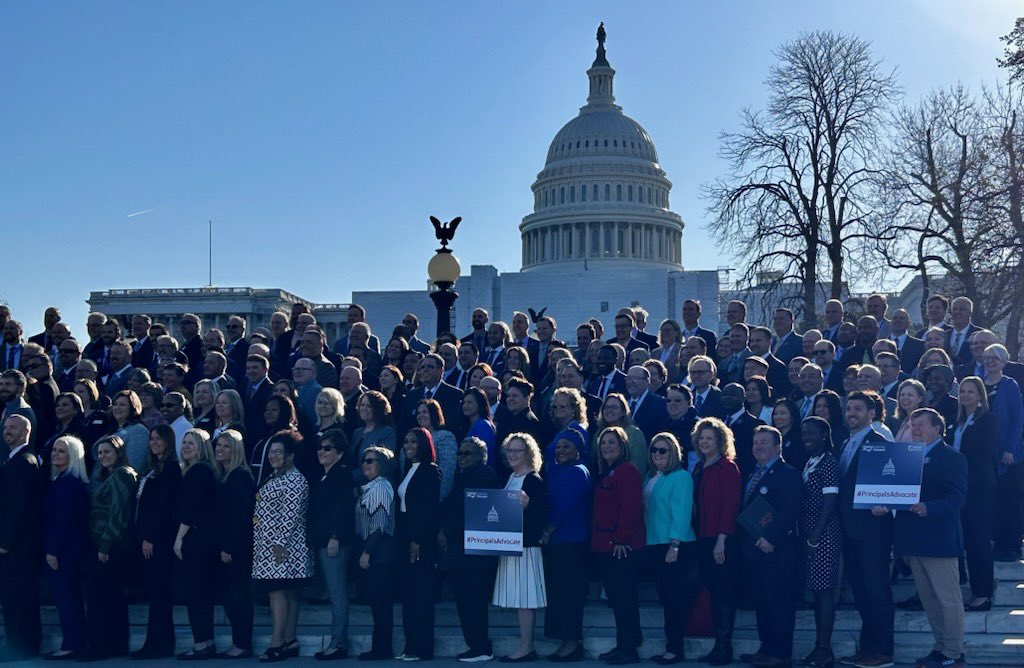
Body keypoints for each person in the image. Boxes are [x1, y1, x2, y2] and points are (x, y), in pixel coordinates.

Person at [876, 409, 967, 668]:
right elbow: (893, 493)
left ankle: (955, 652)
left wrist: (929, 507)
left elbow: (957, 498)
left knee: (947, 600)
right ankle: (941, 648)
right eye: (912, 424)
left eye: (921, 425)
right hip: (913, 541)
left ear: (938, 428)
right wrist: (881, 502)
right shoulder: (906, 458)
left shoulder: (951, 457)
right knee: (930, 600)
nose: (915, 429)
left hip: (939, 541)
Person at [836, 391, 894, 668]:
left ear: (872, 413)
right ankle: (867, 650)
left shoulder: (879, 442)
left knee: (876, 591)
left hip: (873, 531)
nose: (852, 413)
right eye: (849, 409)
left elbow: (890, 488)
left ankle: (882, 651)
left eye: (858, 409)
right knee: (861, 592)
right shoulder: (847, 442)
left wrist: (886, 504)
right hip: (850, 531)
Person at [738, 426, 802, 668]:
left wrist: (771, 538)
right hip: (753, 549)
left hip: (777, 550)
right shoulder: (752, 473)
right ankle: (766, 648)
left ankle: (780, 654)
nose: (758, 446)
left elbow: (790, 510)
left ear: (778, 446)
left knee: (779, 603)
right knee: (762, 602)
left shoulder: (787, 473)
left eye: (764, 442)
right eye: (755, 442)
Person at [252, 430, 314, 661]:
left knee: (279, 592)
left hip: (285, 549)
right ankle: (289, 640)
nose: (273, 456)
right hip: (269, 547)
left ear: (290, 456)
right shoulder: (275, 476)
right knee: (285, 593)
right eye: (271, 452)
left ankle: (277, 642)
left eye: (279, 452)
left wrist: (278, 544)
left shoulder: (295, 480)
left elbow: (291, 514)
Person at [591, 426, 645, 665]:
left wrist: (622, 538)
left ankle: (630, 648)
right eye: (603, 443)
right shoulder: (609, 471)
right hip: (605, 546)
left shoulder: (628, 471)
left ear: (622, 446)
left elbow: (631, 507)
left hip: (621, 547)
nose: (606, 447)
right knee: (617, 599)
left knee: (625, 599)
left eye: (611, 442)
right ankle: (622, 645)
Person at [491, 433, 547, 663]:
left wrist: (529, 505)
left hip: (526, 548)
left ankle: (526, 648)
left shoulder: (533, 479)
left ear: (529, 454)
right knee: (518, 598)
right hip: (510, 545)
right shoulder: (511, 477)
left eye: (518, 451)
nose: (512, 454)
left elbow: (541, 516)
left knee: (524, 599)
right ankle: (525, 646)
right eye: (510, 450)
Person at [81, 435, 138, 661]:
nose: (103, 456)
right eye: (100, 452)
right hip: (109, 545)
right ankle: (115, 645)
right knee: (112, 599)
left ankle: (100, 647)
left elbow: (119, 513)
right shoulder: (113, 475)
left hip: (109, 546)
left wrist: (105, 544)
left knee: (99, 600)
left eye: (107, 452)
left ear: (118, 453)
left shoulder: (122, 475)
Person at [643, 432, 697, 665]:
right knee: (666, 599)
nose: (657, 454)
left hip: (675, 546)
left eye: (663, 450)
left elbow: (682, 512)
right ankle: (671, 646)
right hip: (655, 544)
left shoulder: (681, 477)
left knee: (675, 600)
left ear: (673, 452)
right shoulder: (651, 477)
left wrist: (675, 544)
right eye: (654, 450)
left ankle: (674, 649)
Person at [691, 418, 741, 666]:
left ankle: (724, 647)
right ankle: (717, 646)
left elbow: (730, 506)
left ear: (720, 441)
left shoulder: (727, 467)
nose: (704, 442)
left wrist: (721, 540)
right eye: (701, 438)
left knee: (723, 593)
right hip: (702, 537)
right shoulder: (700, 467)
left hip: (721, 541)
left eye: (709, 438)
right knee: (712, 590)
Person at [540, 429, 591, 662]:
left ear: (578, 451)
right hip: (559, 544)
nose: (560, 451)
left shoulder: (578, 472)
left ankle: (573, 643)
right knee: (560, 594)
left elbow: (566, 507)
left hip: (571, 542)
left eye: (566, 447)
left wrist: (548, 531)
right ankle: (565, 641)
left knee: (570, 595)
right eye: (558, 447)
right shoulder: (557, 471)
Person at [131, 424, 182, 659]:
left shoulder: (170, 469)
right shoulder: (153, 469)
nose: (154, 442)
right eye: (152, 438)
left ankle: (159, 644)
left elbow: (162, 507)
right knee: (154, 594)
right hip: (147, 538)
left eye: (159, 438)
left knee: (159, 594)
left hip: (158, 541)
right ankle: (156, 642)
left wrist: (150, 536)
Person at [306, 430, 356, 660]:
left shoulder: (342, 475)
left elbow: (344, 508)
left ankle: (339, 643)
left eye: (328, 448)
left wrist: (336, 536)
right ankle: (337, 641)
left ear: (340, 452)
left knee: (337, 593)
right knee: (333, 592)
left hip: (334, 542)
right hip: (322, 540)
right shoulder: (325, 476)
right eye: (320, 447)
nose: (322, 452)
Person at [40, 435, 90, 660]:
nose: (55, 454)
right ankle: (73, 642)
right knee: (68, 598)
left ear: (73, 456)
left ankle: (71, 644)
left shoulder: (68, 484)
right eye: (54, 450)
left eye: (61, 451)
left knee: (66, 598)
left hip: (64, 552)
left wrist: (52, 551)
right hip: (68, 549)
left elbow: (63, 521)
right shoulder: (62, 481)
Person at [798, 417, 842, 668]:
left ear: (824, 435)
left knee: (824, 592)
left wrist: (815, 536)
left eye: (811, 433)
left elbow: (830, 503)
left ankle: (824, 650)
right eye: (803, 433)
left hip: (823, 536)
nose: (806, 437)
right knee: (816, 592)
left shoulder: (828, 463)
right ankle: (818, 648)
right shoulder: (810, 461)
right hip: (810, 535)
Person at [951, 377, 997, 610]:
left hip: (978, 487)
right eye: (963, 391)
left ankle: (984, 594)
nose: (966, 395)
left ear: (981, 396)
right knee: (966, 539)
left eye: (971, 392)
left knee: (978, 540)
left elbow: (982, 454)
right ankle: (973, 589)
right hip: (960, 487)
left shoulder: (987, 420)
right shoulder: (958, 420)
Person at [396, 428, 442, 661]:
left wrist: (417, 541)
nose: (408, 445)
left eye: (414, 441)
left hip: (421, 541)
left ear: (424, 444)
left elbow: (428, 511)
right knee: (408, 595)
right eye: (406, 441)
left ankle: (422, 648)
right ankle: (409, 645)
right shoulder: (407, 469)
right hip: (404, 537)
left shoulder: (430, 471)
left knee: (421, 596)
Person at [174, 428, 220, 659]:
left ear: (202, 447)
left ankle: (202, 644)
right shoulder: (193, 471)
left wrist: (179, 538)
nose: (186, 446)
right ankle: (204, 642)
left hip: (196, 540)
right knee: (198, 594)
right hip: (202, 540)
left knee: (197, 594)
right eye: (184, 442)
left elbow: (190, 509)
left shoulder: (199, 471)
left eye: (192, 443)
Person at [0, 415, 43, 661]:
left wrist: (4, 542)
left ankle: (20, 646)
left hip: (17, 546)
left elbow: (17, 507)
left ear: (26, 431)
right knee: (14, 596)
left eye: (12, 427)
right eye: (5, 428)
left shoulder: (24, 462)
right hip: (17, 544)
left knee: (19, 597)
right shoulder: (15, 460)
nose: (7, 432)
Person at [213, 429, 257, 658]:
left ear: (236, 449)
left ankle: (242, 643)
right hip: (227, 545)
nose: (220, 449)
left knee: (238, 597)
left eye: (226, 446)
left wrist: (228, 547)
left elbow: (240, 516)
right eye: (218, 445)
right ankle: (238, 642)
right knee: (230, 597)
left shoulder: (240, 476)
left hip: (236, 548)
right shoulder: (225, 474)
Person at [356, 446, 399, 661]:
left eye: (371, 461)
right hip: (378, 552)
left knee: (381, 605)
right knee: (378, 605)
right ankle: (380, 647)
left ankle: (382, 649)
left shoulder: (382, 486)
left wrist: (367, 551)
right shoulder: (371, 487)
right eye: (364, 460)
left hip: (380, 553)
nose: (366, 464)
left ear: (382, 464)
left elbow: (379, 523)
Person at [982, 344, 1024, 561]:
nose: (990, 361)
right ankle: (995, 542)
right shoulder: (980, 384)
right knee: (993, 501)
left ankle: (1012, 546)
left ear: (1004, 362)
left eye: (995, 358)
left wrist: (1009, 448)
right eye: (987, 358)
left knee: (1010, 501)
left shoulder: (1010, 385)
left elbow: (1017, 419)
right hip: (987, 453)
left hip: (1009, 455)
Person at [593, 393, 649, 479]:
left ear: (623, 412)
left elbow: (639, 467)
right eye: (606, 407)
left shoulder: (635, 433)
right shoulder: (599, 433)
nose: (609, 410)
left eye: (614, 407)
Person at [249, 395, 300, 486]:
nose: (269, 413)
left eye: (274, 410)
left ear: (284, 412)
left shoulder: (290, 438)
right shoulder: (264, 437)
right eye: (267, 410)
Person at [350, 391, 397, 483]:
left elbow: (381, 465)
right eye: (362, 405)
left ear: (378, 409)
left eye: (369, 406)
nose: (364, 409)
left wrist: (348, 477)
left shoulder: (386, 432)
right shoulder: (357, 433)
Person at [415, 398, 458, 498]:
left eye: (425, 412)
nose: (421, 415)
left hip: (433, 496)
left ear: (434, 413)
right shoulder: (412, 438)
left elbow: (447, 471)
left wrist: (439, 498)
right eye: (418, 413)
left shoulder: (445, 437)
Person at [109, 389, 150, 472]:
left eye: (122, 405)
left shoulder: (139, 431)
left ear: (133, 408)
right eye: (115, 404)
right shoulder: (112, 430)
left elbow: (134, 465)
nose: (117, 407)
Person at [462, 386, 497, 465]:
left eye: (469, 402)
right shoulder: (468, 426)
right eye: (464, 402)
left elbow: (488, 454)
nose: (465, 406)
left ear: (479, 403)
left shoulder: (484, 426)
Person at [772, 398, 806, 473]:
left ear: (792, 416)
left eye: (782, 413)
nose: (778, 417)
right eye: (775, 414)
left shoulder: (799, 439)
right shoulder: (773, 438)